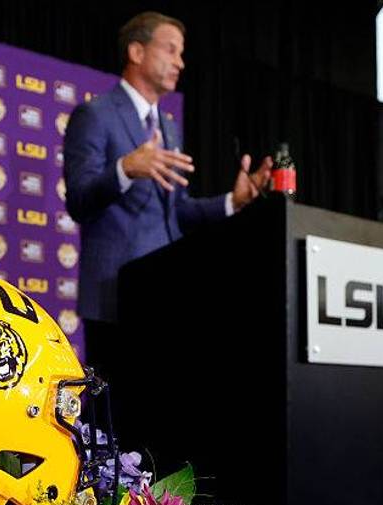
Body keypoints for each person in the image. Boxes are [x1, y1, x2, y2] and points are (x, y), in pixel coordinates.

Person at [63, 11, 271, 412]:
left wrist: (235, 201)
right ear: (137, 51)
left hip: (167, 296)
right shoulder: (96, 115)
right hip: (115, 296)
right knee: (116, 419)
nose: (180, 62)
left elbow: (178, 212)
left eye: (182, 53)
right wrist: (125, 168)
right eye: (170, 50)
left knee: (160, 414)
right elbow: (80, 199)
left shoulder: (169, 127)